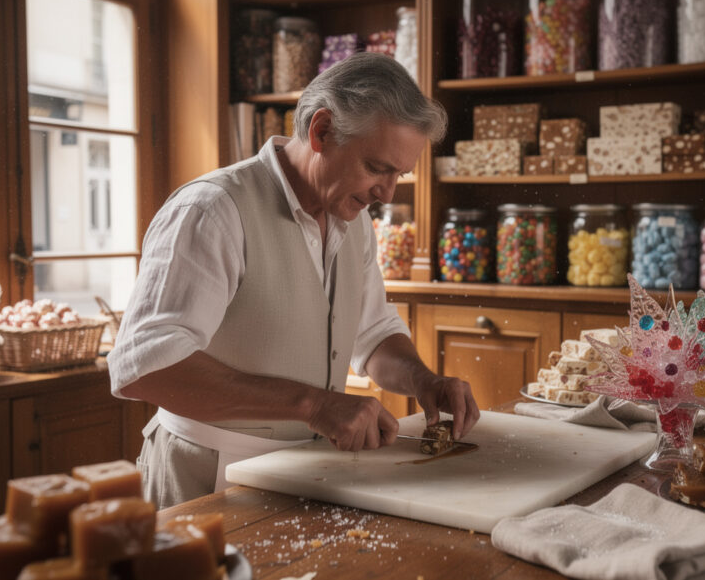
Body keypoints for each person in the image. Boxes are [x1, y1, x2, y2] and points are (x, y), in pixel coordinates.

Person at [109, 53, 480, 509]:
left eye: (399, 174)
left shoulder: (354, 217)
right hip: (206, 476)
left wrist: (424, 381)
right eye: (377, 168)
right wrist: (315, 405)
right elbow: (145, 369)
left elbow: (375, 334)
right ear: (321, 131)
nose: (387, 193)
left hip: (310, 471)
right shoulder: (212, 210)